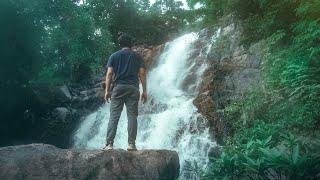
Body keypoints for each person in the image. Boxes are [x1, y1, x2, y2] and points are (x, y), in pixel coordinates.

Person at [103, 34, 147, 151]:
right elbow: (142, 73)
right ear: (131, 44)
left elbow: (109, 74)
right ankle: (131, 144)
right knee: (132, 116)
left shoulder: (114, 56)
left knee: (114, 116)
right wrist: (145, 91)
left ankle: (109, 144)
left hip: (118, 88)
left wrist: (107, 91)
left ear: (120, 44)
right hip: (133, 88)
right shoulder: (137, 57)